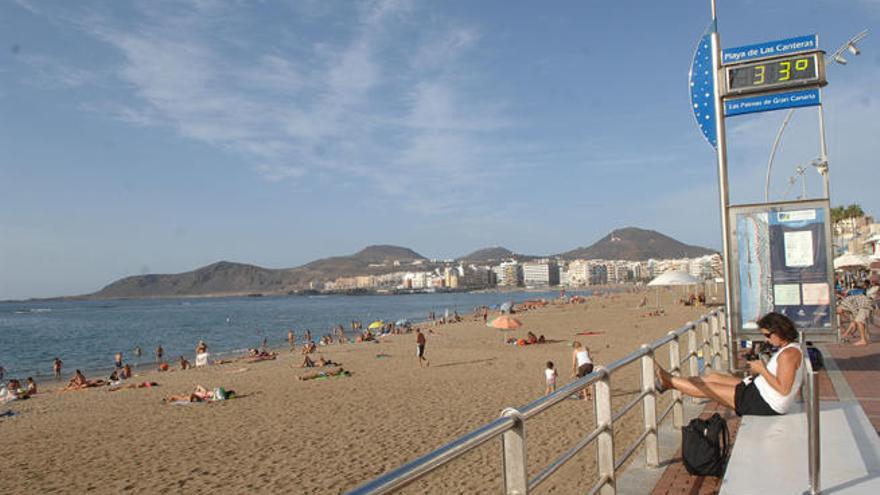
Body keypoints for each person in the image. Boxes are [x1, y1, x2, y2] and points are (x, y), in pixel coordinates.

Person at [656, 312, 803, 416]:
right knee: (713, 377)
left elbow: (784, 389)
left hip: (763, 402)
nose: (766, 340)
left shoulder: (788, 355)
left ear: (779, 331)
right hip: (759, 389)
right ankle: (669, 382)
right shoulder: (788, 349)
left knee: (709, 388)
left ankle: (670, 380)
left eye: (767, 335)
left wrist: (762, 370)